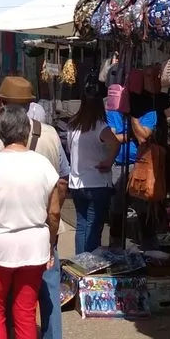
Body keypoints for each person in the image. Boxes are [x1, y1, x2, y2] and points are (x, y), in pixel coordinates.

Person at [0, 75, 69, 339]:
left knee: (1, 300)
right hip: (44, 229)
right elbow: (63, 179)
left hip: (4, 228)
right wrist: (51, 220)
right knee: (48, 295)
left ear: (2, 104)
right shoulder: (51, 134)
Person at [67, 85, 120, 254]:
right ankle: (89, 261)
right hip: (97, 182)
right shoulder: (100, 126)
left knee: (82, 224)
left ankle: (80, 260)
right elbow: (115, 143)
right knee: (93, 225)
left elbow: (69, 150)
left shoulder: (73, 126)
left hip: (76, 182)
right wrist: (109, 161)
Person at [107, 93, 158, 250]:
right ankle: (115, 249)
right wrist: (130, 135)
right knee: (116, 211)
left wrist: (133, 118)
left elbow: (143, 137)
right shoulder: (113, 110)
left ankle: (150, 249)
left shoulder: (149, 112)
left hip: (142, 166)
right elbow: (111, 138)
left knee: (144, 211)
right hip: (118, 165)